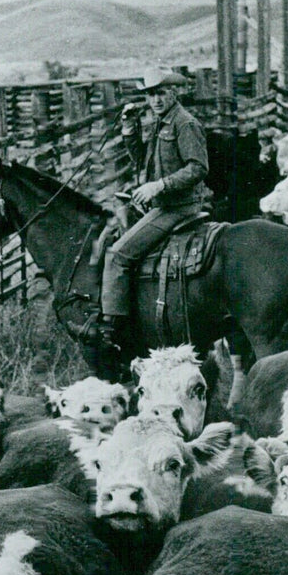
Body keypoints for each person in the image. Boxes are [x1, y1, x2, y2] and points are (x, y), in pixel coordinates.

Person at [99, 66, 209, 362]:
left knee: (117, 255)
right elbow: (142, 164)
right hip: (162, 203)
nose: (156, 100)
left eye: (161, 93)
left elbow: (198, 167)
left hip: (177, 206)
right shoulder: (161, 123)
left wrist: (159, 186)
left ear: (174, 92)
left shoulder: (185, 124)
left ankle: (112, 329)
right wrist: (129, 130)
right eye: (151, 95)